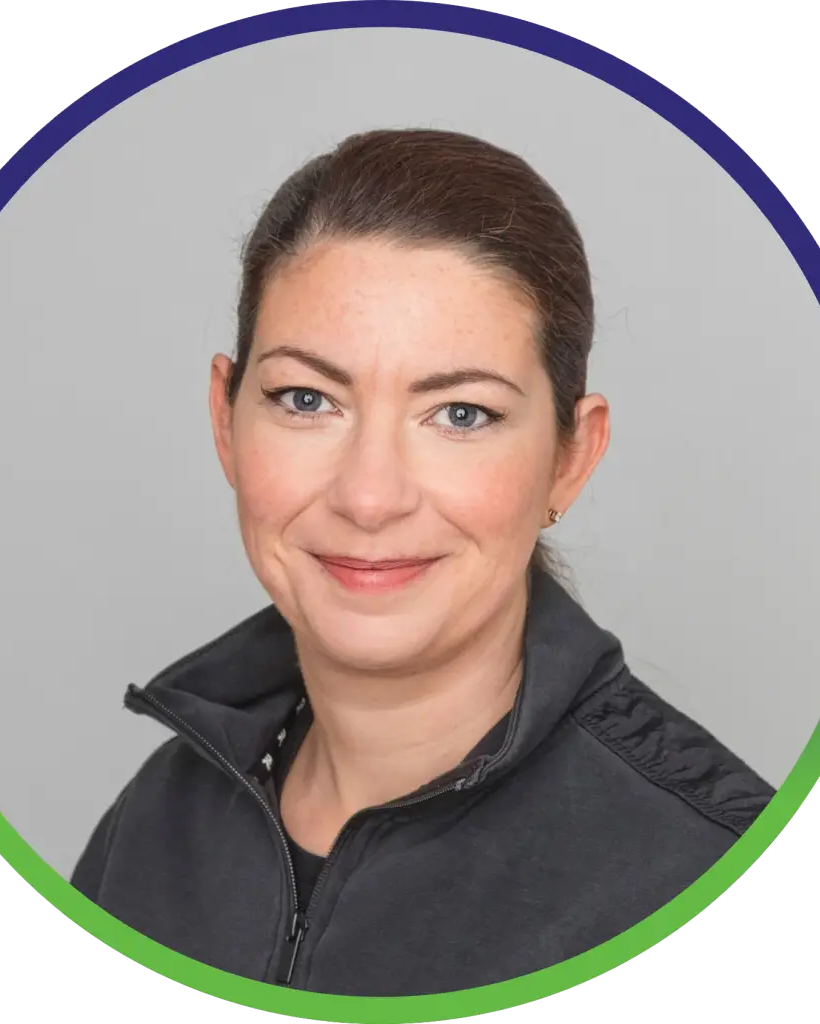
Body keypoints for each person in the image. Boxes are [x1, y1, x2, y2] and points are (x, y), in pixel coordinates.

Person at [71, 128, 775, 997]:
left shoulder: (710, 871)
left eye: (461, 414)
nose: (370, 497)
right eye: (307, 399)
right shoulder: (157, 825)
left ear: (570, 457)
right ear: (226, 419)